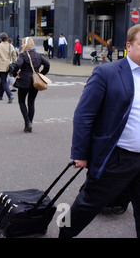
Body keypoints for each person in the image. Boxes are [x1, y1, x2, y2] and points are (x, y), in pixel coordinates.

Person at [59, 24, 140, 238]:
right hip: (116, 157)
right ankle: (64, 233)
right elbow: (84, 115)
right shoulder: (107, 72)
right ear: (129, 46)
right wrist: (80, 154)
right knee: (85, 205)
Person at [12, 37, 50, 132]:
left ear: (26, 44)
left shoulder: (23, 55)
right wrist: (41, 74)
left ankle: (27, 122)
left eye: (22, 43)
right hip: (35, 82)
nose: (21, 45)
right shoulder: (38, 55)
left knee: (21, 101)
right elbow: (47, 64)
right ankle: (29, 124)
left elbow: (16, 65)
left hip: (23, 81)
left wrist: (15, 74)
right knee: (31, 102)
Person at [0, 32, 17, 103]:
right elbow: (14, 56)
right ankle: (0, 95)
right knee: (2, 80)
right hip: (9, 65)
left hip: (1, 66)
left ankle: (10, 95)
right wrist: (14, 63)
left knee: (3, 80)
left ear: (0, 39)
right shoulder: (10, 46)